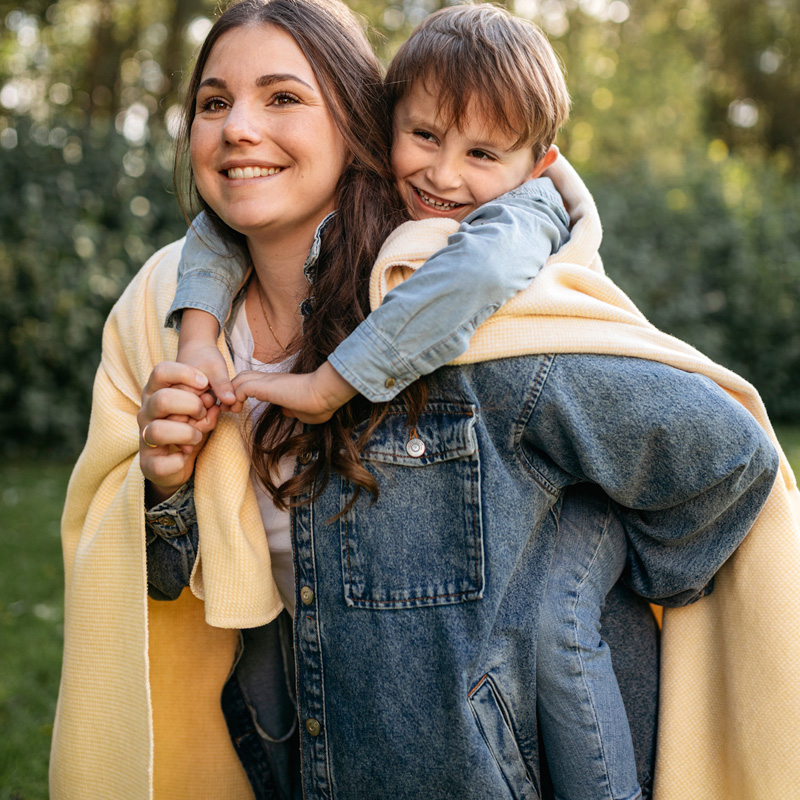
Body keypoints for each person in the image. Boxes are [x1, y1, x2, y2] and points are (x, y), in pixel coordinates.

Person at [51, 2, 787, 800]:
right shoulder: (159, 318)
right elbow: (157, 596)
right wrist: (162, 488)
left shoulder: (457, 311)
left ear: (358, 121)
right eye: (213, 102)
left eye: (283, 97)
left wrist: (571, 589)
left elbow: (725, 459)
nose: (237, 128)